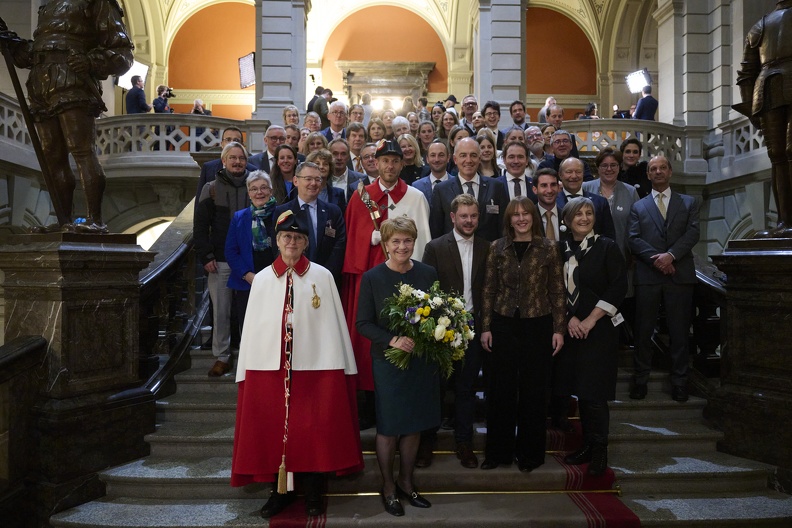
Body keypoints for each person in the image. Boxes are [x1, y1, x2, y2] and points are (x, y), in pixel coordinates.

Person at [231, 210, 362, 519]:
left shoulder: (322, 276)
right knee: (274, 431)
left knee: (314, 431)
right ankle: (280, 493)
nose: (292, 242)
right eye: (286, 237)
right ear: (277, 241)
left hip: (316, 367)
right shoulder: (262, 279)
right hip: (270, 369)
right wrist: (245, 367)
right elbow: (252, 329)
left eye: (298, 238)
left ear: (306, 243)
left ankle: (315, 490)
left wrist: (341, 363)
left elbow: (333, 325)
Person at [2, 0, 134, 233]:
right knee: (52, 156)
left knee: (81, 150)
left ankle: (95, 219)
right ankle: (63, 219)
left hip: (73, 80)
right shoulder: (48, 6)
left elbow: (122, 52)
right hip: (40, 83)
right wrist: (11, 43)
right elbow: (33, 53)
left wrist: (91, 61)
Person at [342, 139, 431, 427]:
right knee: (369, 342)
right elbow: (351, 239)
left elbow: (425, 242)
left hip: (407, 281)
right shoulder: (361, 196)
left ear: (402, 163)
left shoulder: (415, 197)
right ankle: (369, 405)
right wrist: (370, 238)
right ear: (374, 163)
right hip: (371, 281)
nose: (389, 165)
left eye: (394, 160)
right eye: (384, 160)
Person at [356, 217, 440, 516]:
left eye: (407, 241)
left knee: (414, 424)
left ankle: (407, 482)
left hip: (420, 361)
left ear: (414, 242)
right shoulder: (372, 278)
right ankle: (388, 486)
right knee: (390, 427)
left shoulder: (428, 273)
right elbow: (362, 323)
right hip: (389, 363)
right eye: (396, 241)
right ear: (386, 245)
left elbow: (437, 311)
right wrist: (392, 339)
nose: (402, 246)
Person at [479, 197, 566, 471]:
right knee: (500, 390)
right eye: (515, 214)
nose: (521, 218)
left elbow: (557, 290)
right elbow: (488, 290)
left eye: (525, 214)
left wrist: (559, 329)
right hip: (502, 324)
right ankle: (499, 453)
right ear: (509, 219)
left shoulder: (549, 249)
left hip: (538, 324)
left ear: (533, 217)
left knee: (533, 392)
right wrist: (485, 327)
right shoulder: (497, 248)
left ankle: (530, 455)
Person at [557, 197, 627, 476]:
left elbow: (618, 286)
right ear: (567, 219)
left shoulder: (607, 247)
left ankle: (600, 452)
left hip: (600, 330)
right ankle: (587, 444)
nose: (584, 218)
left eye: (589, 213)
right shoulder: (560, 250)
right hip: (572, 329)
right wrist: (569, 318)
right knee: (582, 392)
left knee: (595, 395)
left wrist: (589, 320)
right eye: (578, 214)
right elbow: (554, 288)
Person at [422, 194, 490, 469]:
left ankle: (464, 443)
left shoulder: (488, 247)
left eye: (473, 216)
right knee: (434, 388)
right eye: (464, 216)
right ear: (453, 217)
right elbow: (428, 291)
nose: (469, 221)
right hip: (442, 329)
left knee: (465, 389)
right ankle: (427, 444)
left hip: (474, 329)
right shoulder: (435, 247)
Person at [628, 155, 700, 402]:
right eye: (652, 169)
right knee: (643, 331)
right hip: (648, 275)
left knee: (679, 332)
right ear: (647, 175)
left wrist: (671, 256)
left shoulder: (689, 202)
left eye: (662, 168)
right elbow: (633, 239)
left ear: (670, 172)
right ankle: (640, 380)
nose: (657, 172)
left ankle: (680, 381)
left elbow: (692, 233)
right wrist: (658, 260)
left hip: (679, 275)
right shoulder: (638, 206)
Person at [735, 2, 792, 237]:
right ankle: (785, 221)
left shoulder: (760, 25)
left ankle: (785, 221)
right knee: (779, 155)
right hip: (768, 90)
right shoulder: (759, 25)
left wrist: (751, 107)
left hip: (766, 89)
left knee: (782, 155)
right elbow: (747, 72)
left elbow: (746, 74)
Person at [195, 141, 251, 377]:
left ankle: (251, 355)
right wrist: (206, 255)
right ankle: (222, 356)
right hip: (220, 261)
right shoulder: (211, 188)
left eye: (242, 158)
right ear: (224, 161)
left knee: (251, 311)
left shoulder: (255, 185)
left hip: (250, 261)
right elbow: (200, 225)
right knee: (222, 311)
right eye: (233, 158)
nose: (238, 162)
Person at [275, 160, 346, 287]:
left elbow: (339, 246)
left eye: (318, 179)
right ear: (296, 181)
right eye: (308, 179)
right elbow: (278, 247)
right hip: (292, 280)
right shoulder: (282, 212)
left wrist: (324, 275)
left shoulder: (333, 212)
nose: (313, 183)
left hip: (326, 280)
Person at [224, 171, 278, 333]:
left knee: (274, 329)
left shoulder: (281, 214)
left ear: (271, 191)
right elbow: (231, 251)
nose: (259, 192)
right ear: (249, 193)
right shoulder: (239, 217)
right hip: (247, 283)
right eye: (254, 189)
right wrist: (247, 275)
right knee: (251, 330)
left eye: (263, 188)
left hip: (277, 280)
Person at [430, 138, 509, 242]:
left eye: (473, 155)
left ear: (479, 158)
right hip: (452, 254)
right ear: (455, 159)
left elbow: (504, 227)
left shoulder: (496, 187)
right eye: (463, 155)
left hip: (489, 254)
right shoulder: (441, 190)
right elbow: (436, 231)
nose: (468, 160)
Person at [583, 149, 639, 257]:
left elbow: (636, 225)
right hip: (589, 254)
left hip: (622, 253)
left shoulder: (631, 192)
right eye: (604, 165)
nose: (609, 169)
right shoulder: (585, 188)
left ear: (619, 167)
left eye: (613, 165)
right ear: (598, 168)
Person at [412, 140, 450, 205]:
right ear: (427, 159)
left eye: (441, 155)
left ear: (448, 158)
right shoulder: (417, 187)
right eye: (433, 155)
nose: (437, 159)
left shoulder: (457, 183)